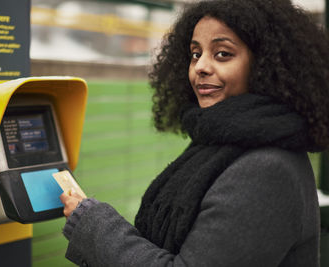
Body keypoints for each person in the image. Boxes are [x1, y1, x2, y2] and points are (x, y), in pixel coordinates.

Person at [59, 0, 329, 266]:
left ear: (265, 66)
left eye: (223, 53)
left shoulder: (267, 169)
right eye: (195, 54)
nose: (200, 66)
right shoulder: (224, 141)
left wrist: (93, 223)